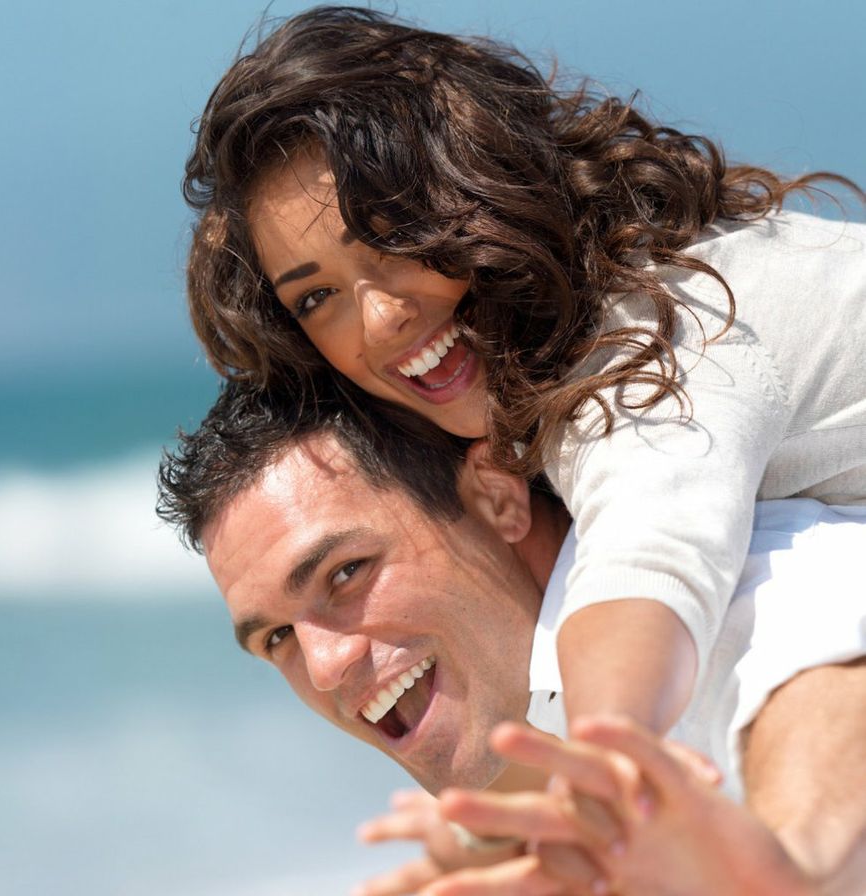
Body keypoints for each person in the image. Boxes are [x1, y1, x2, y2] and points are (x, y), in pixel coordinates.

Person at [182, 6, 866, 747]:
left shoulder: (654, 337)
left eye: (392, 236)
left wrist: (607, 761)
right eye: (317, 298)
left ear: (479, 178)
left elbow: (647, 569)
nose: (378, 320)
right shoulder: (603, 314)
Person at [157, 379, 866, 895]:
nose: (324, 664)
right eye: (277, 636)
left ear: (496, 498)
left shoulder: (709, 584)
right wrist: (494, 840)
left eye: (346, 573)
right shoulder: (543, 700)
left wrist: (791, 864)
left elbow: (817, 672)